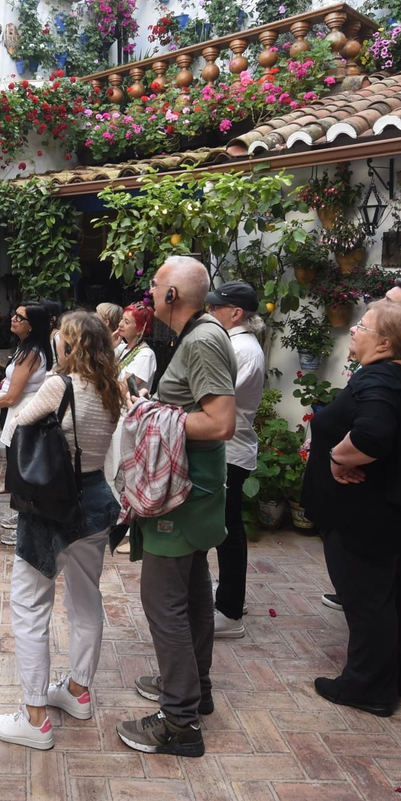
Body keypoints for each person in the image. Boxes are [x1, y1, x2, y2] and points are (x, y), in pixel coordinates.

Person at [302, 301, 401, 717]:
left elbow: (373, 433)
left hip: (366, 518)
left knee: (367, 600)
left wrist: (339, 458)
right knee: (394, 597)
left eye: (362, 326)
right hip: (399, 514)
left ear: (385, 343)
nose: (353, 330)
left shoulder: (380, 378)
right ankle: (399, 676)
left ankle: (368, 688)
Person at [0, 311, 123, 751]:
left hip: (53, 506)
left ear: (71, 345)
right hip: (97, 500)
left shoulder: (59, 386)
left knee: (29, 604)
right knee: (86, 598)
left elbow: (14, 432)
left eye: (61, 338)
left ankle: (34, 717)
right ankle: (79, 692)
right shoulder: (111, 389)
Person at [118, 257, 234, 758]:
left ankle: (179, 721)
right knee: (191, 595)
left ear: (172, 296)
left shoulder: (204, 339)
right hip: (193, 487)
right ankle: (194, 689)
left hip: (181, 493)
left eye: (156, 285)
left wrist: (148, 413)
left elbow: (219, 423)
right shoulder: (200, 334)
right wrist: (159, 404)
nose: (150, 292)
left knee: (163, 603)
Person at [322, 275, 401, 614]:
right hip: (385, 499)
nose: (377, 307)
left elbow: (380, 431)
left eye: (389, 303)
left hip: (385, 498)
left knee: (389, 581)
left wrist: (339, 457)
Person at [205, 281, 266, 640]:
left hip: (231, 450)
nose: (211, 312)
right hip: (229, 447)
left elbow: (216, 399)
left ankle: (229, 611)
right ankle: (230, 599)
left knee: (227, 533)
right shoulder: (235, 344)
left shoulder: (243, 350)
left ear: (236, 313)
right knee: (226, 530)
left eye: (216, 308)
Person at [0, 302, 52, 521]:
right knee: (16, 468)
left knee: (22, 472)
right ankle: (23, 518)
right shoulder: (23, 347)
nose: (13, 319)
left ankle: (25, 521)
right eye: (15, 314)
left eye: (20, 318)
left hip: (24, 415)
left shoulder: (31, 353)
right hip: (17, 414)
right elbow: (9, 379)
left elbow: (13, 396)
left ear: (32, 326)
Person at [115, 302, 158, 395]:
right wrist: (110, 346)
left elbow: (124, 389)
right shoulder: (120, 347)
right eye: (121, 319)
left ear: (140, 330)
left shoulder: (146, 355)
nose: (120, 324)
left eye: (126, 322)